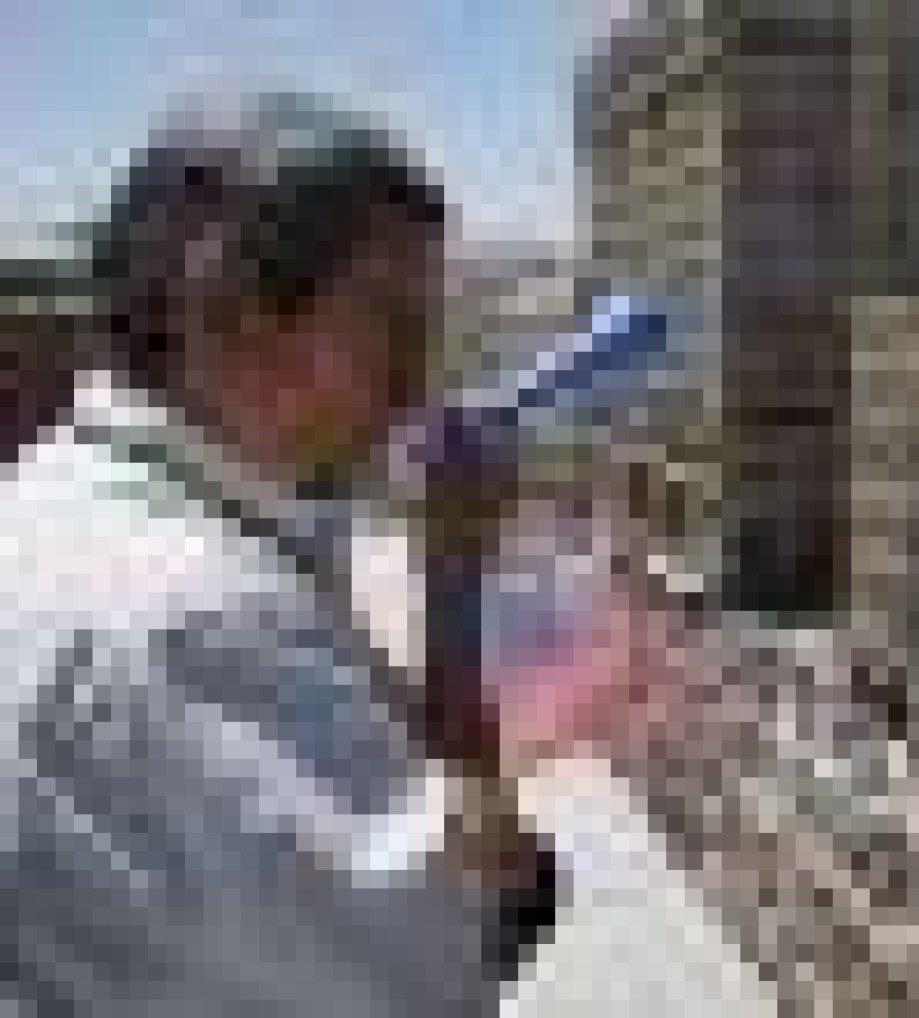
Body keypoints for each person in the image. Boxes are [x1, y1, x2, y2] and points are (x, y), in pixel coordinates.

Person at [0, 92, 550, 1017]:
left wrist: (445, 574)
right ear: (231, 313)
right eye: (391, 326)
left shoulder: (56, 497)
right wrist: (456, 605)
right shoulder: (208, 625)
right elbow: (467, 937)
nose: (417, 383)